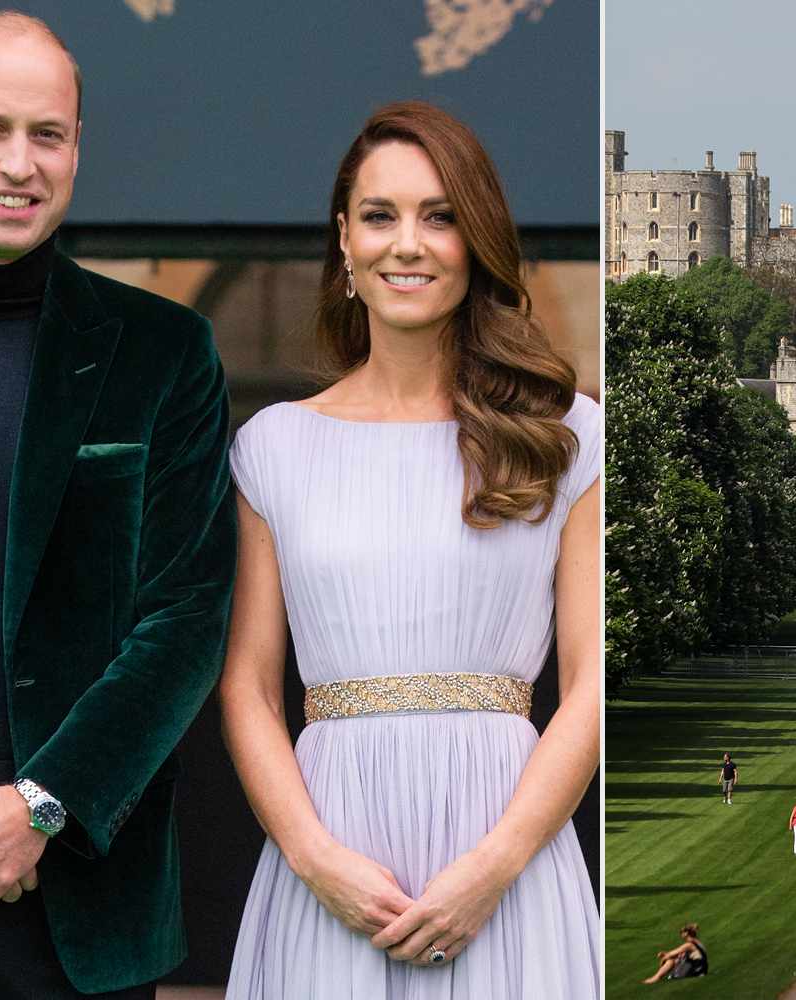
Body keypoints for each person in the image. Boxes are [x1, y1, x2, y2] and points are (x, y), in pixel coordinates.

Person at [0, 14, 236, 997]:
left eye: (47, 134)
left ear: (78, 148)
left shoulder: (165, 353)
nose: (18, 163)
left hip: (83, 906)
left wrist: (40, 808)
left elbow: (187, 615)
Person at [221, 103, 601, 996]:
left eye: (440, 217)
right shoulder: (272, 446)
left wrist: (493, 869)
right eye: (381, 215)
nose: (409, 244)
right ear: (344, 242)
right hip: (327, 863)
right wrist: (315, 861)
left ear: (477, 243)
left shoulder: (566, 437)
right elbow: (246, 686)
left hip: (508, 861)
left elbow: (587, 685)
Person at [642, 924, 708, 984]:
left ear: (686, 933)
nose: (680, 934)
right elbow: (677, 955)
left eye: (681, 932)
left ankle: (656, 978)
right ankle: (658, 976)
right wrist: (665, 954)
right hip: (702, 970)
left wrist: (664, 958)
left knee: (670, 961)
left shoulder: (688, 945)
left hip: (697, 970)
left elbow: (671, 954)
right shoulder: (698, 943)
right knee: (675, 959)